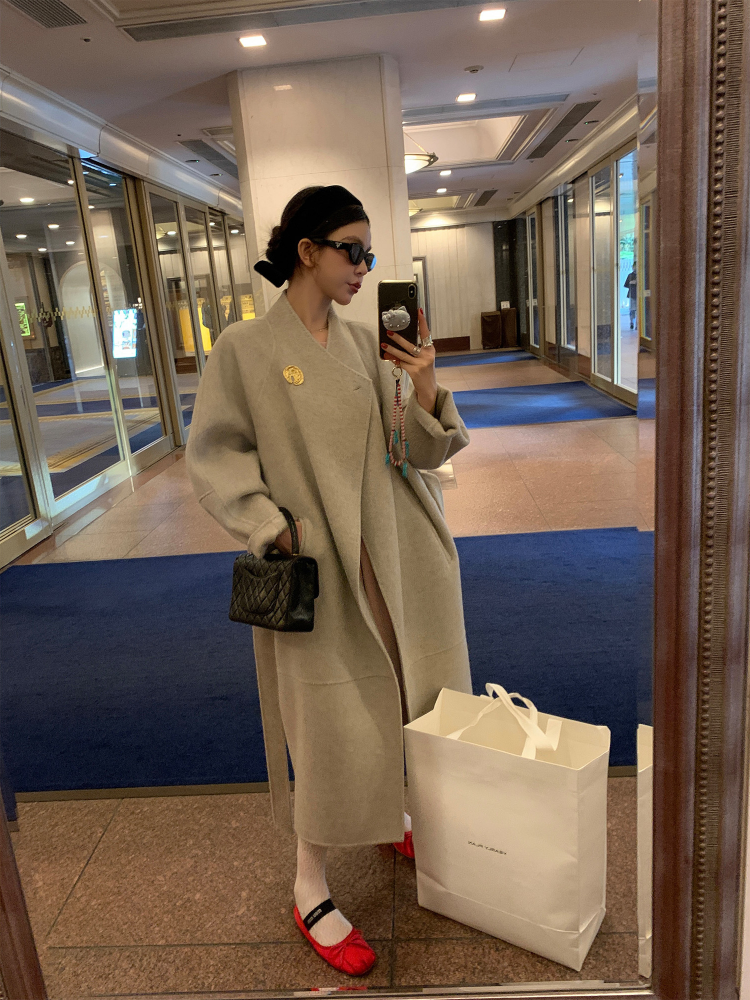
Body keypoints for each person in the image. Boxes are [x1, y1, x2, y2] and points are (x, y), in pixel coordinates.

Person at [185, 185, 472, 977]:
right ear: (307, 252)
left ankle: (391, 814)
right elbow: (215, 452)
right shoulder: (246, 347)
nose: (363, 268)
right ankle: (309, 882)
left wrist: (423, 386)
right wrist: (272, 528)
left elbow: (415, 453)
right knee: (327, 719)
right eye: (351, 250)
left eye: (369, 255)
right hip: (322, 568)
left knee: (409, 695)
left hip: (398, 555)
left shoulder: (363, 343)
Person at [624, 264, 637, 330]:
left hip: (638, 295)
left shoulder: (641, 275)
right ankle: (631, 322)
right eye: (634, 267)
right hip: (632, 294)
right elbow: (626, 284)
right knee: (632, 310)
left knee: (638, 310)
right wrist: (631, 283)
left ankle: (637, 324)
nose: (635, 268)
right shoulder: (630, 275)